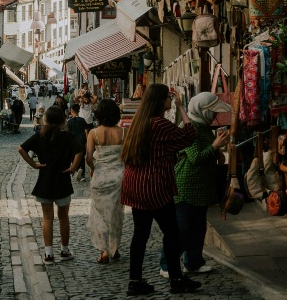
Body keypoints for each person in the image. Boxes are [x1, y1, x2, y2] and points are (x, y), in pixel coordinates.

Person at [120, 84, 200, 296]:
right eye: (168, 97)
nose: (171, 100)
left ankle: (135, 282)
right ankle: (176, 279)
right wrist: (182, 108)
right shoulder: (160, 124)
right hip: (154, 187)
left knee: (140, 235)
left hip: (136, 185)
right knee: (172, 233)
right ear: (160, 100)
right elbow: (189, 135)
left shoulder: (139, 121)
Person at [159, 92, 232, 279]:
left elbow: (205, 151)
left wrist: (217, 151)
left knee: (198, 228)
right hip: (186, 187)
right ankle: (167, 264)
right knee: (181, 229)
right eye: (213, 112)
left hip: (201, 188)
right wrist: (215, 146)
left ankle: (193, 262)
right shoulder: (189, 127)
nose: (215, 116)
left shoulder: (203, 127)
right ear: (203, 111)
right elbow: (195, 157)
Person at [18, 106, 83, 263]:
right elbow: (80, 151)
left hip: (45, 181)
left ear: (45, 119)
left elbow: (21, 149)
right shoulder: (68, 136)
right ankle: (65, 251)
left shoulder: (40, 136)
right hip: (63, 180)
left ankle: (49, 254)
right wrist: (73, 167)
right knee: (63, 217)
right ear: (63, 120)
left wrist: (34, 164)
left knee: (47, 218)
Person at [87, 99, 125, 264]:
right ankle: (114, 249)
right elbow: (127, 155)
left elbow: (89, 157)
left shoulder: (93, 133)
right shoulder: (123, 132)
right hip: (118, 177)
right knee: (116, 214)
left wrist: (93, 169)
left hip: (100, 177)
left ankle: (104, 250)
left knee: (99, 214)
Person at [66, 103, 89, 181]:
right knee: (82, 157)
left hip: (73, 142)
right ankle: (82, 174)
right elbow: (86, 130)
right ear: (79, 111)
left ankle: (76, 170)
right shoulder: (82, 120)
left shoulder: (69, 121)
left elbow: (68, 133)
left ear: (71, 111)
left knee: (73, 156)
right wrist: (87, 141)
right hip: (82, 140)